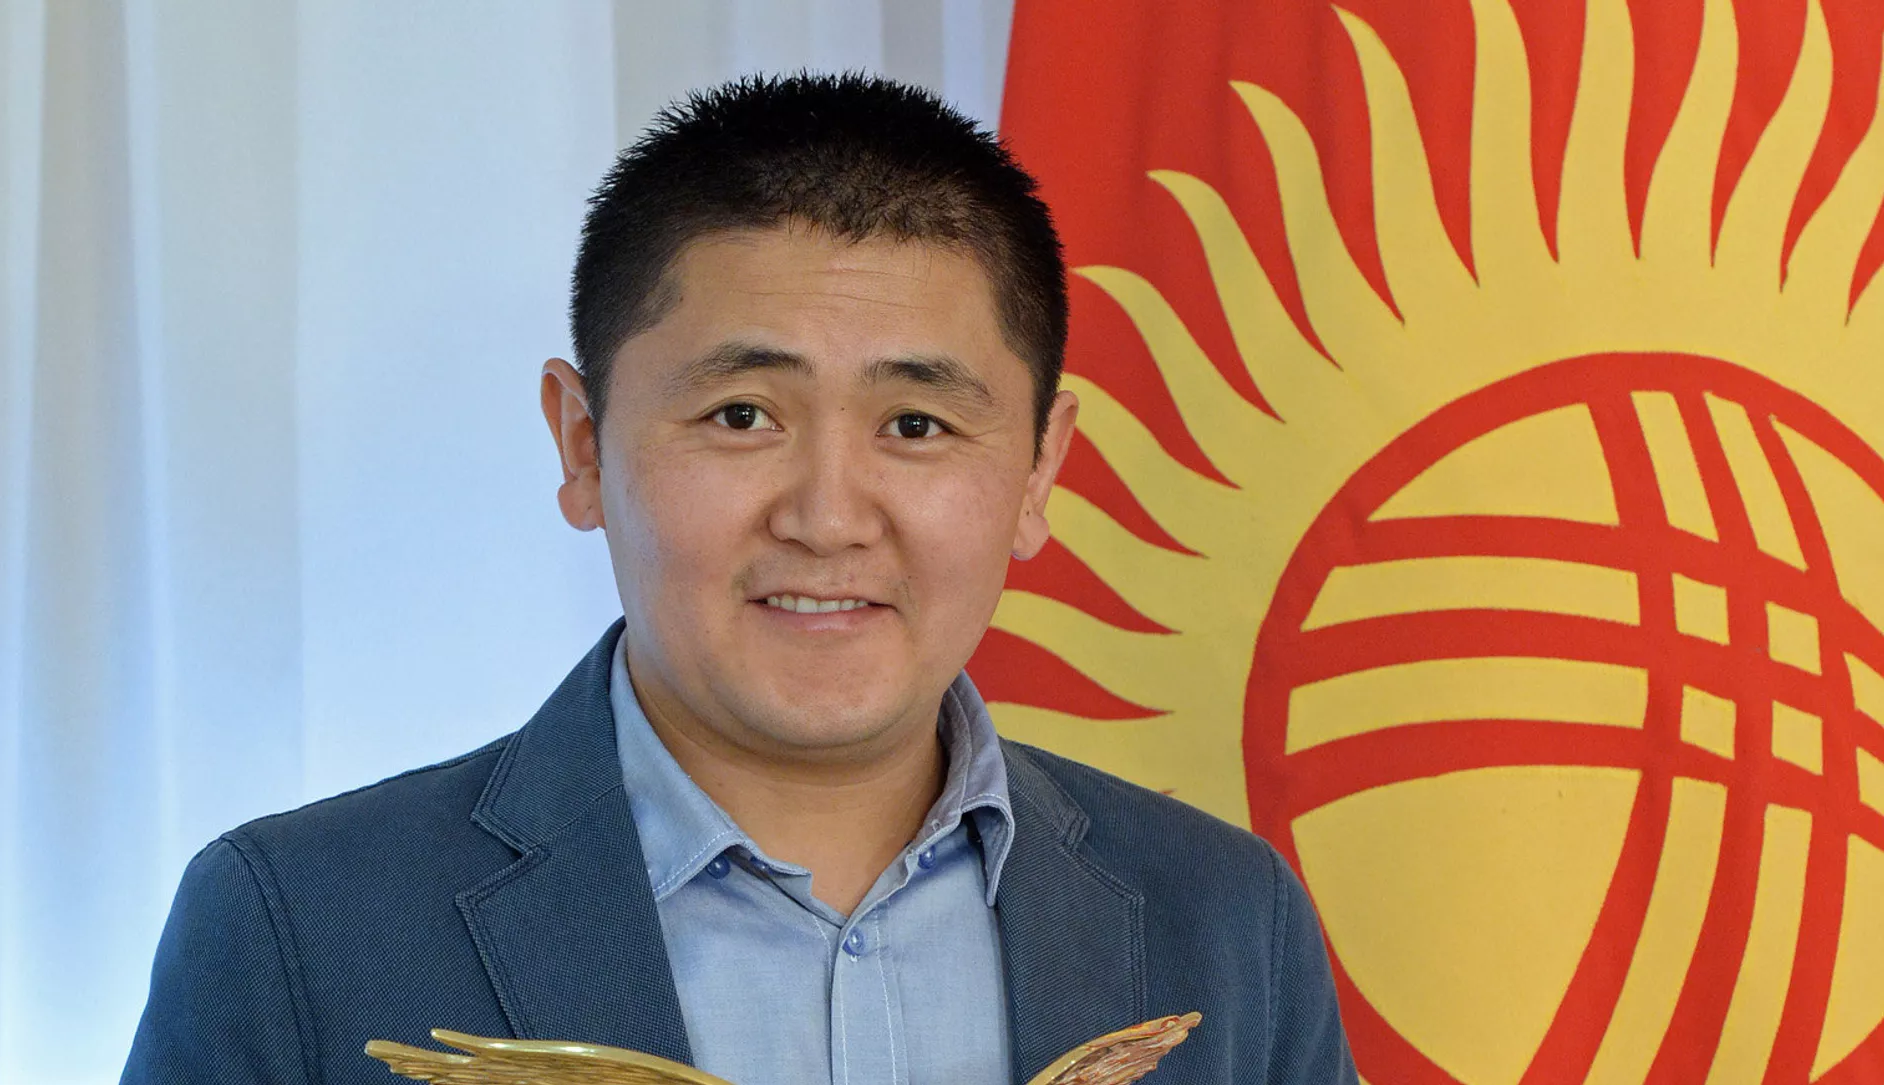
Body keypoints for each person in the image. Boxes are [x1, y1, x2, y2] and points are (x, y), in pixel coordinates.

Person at [120, 72, 1356, 1085]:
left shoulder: (1227, 920)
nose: (828, 517)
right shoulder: (298, 925)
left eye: (917, 424)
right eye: (742, 414)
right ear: (582, 444)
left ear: (1040, 469)